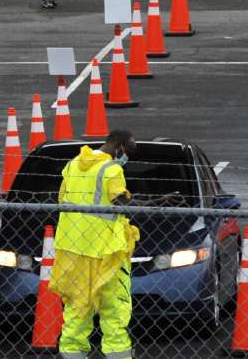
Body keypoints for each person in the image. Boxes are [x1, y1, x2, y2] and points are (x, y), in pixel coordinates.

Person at [48, 131, 178, 359]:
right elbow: (123, 202)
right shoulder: (111, 169)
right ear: (119, 146)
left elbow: (62, 200)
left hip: (72, 247)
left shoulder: (72, 164)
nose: (127, 156)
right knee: (114, 309)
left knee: (77, 308)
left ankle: (71, 354)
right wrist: (157, 202)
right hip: (106, 250)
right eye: (128, 150)